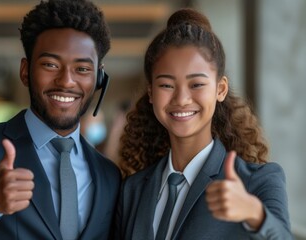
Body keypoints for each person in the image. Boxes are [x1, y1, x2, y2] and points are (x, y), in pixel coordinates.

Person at [0, 0, 121, 239]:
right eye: (50, 64)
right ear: (25, 71)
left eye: (82, 69)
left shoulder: (108, 175)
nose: (66, 81)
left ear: (99, 78)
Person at [114, 8, 292, 240]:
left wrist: (255, 214)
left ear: (221, 89)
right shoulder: (133, 190)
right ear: (151, 93)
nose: (181, 99)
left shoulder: (257, 181)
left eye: (196, 84)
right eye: (166, 85)